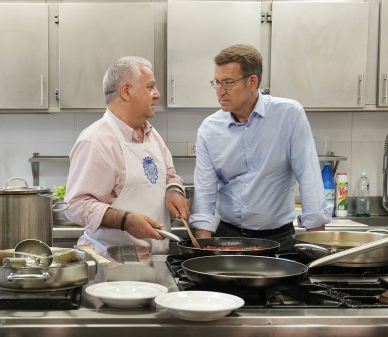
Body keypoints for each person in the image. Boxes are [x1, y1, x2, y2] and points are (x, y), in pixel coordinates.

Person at [189, 44, 331, 253]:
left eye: (227, 83)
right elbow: (204, 194)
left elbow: (309, 178)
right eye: (217, 83)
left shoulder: (289, 115)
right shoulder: (209, 130)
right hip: (228, 238)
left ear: (251, 82)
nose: (220, 91)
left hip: (279, 239)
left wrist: (319, 251)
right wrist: (203, 251)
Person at [64, 56, 191, 256]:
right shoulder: (96, 141)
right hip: (110, 265)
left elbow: (169, 176)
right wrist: (125, 221)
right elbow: (76, 205)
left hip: (155, 261)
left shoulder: (152, 135)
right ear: (126, 91)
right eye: (150, 87)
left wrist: (174, 190)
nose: (157, 94)